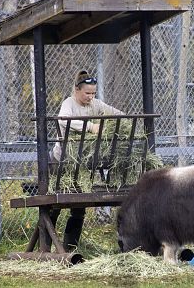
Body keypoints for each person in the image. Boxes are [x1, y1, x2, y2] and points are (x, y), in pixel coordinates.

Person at [49, 70, 124, 252]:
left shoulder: (95, 104)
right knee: (54, 206)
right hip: (62, 162)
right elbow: (64, 121)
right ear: (77, 90)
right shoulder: (69, 103)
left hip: (81, 165)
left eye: (93, 93)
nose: (90, 97)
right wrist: (91, 127)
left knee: (78, 208)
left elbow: (115, 113)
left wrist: (124, 120)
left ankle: (69, 249)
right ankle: (45, 245)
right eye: (87, 93)